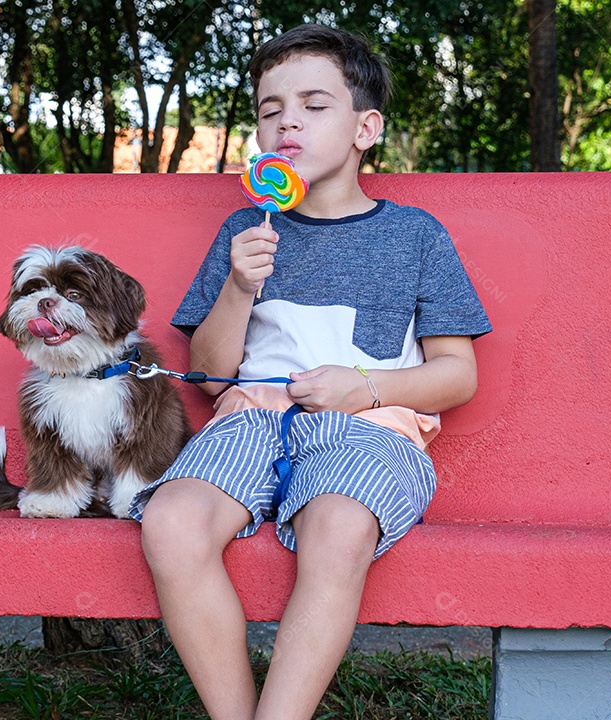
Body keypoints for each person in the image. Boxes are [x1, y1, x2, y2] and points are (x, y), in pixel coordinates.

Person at [127, 23, 492, 720]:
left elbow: (457, 374)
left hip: (368, 426)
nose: (287, 119)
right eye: (270, 110)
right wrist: (238, 287)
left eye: (314, 105)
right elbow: (208, 376)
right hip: (253, 418)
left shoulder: (414, 237)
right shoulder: (245, 234)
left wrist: (366, 387)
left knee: (338, 527)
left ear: (365, 128)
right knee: (171, 524)